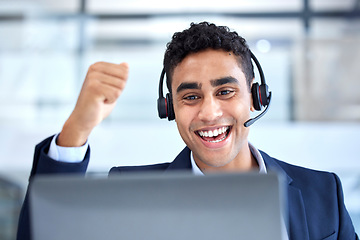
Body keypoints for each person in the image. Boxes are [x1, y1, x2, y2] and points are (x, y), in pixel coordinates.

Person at [17, 22, 358, 240]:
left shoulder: (322, 192)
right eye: (191, 97)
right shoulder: (131, 194)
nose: (209, 112)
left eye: (226, 91)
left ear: (256, 97)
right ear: (170, 109)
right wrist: (78, 127)